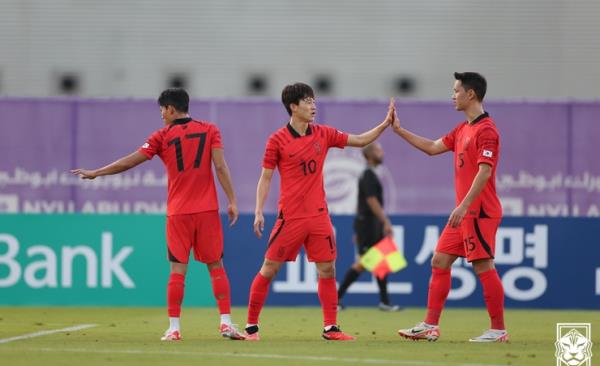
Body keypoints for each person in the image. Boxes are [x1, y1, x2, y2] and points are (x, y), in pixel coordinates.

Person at [71, 88, 245, 341]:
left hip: (178, 212)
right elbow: (220, 166)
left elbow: (130, 161)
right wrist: (232, 200)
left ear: (171, 109)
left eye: (162, 110)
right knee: (216, 266)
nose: (161, 115)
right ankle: (226, 323)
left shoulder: (162, 136)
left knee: (177, 270)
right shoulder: (210, 129)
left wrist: (97, 172)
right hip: (207, 209)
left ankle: (174, 328)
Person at [245, 82, 395, 341]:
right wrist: (259, 210)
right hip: (290, 216)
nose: (313, 105)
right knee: (269, 268)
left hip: (318, 216)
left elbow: (358, 140)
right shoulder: (276, 140)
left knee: (328, 269)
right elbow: (266, 178)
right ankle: (251, 328)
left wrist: (383, 125)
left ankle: (330, 327)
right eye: (307, 101)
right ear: (293, 107)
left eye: (314, 100)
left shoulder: (323, 134)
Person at [393, 72, 508, 343]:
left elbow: (484, 172)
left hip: (479, 211)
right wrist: (399, 130)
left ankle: (498, 330)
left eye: (456, 90)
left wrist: (464, 205)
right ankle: (430, 326)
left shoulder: (487, 129)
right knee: (439, 260)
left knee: (483, 265)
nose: (452, 95)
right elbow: (433, 147)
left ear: (471, 94)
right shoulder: (462, 129)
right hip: (464, 213)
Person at [337, 142, 402, 312]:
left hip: (370, 225)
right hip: (367, 225)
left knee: (381, 261)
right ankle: (334, 300)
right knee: (363, 264)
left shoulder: (372, 174)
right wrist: (385, 221)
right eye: (379, 150)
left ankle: (385, 302)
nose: (382, 153)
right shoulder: (367, 175)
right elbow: (371, 201)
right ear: (370, 154)